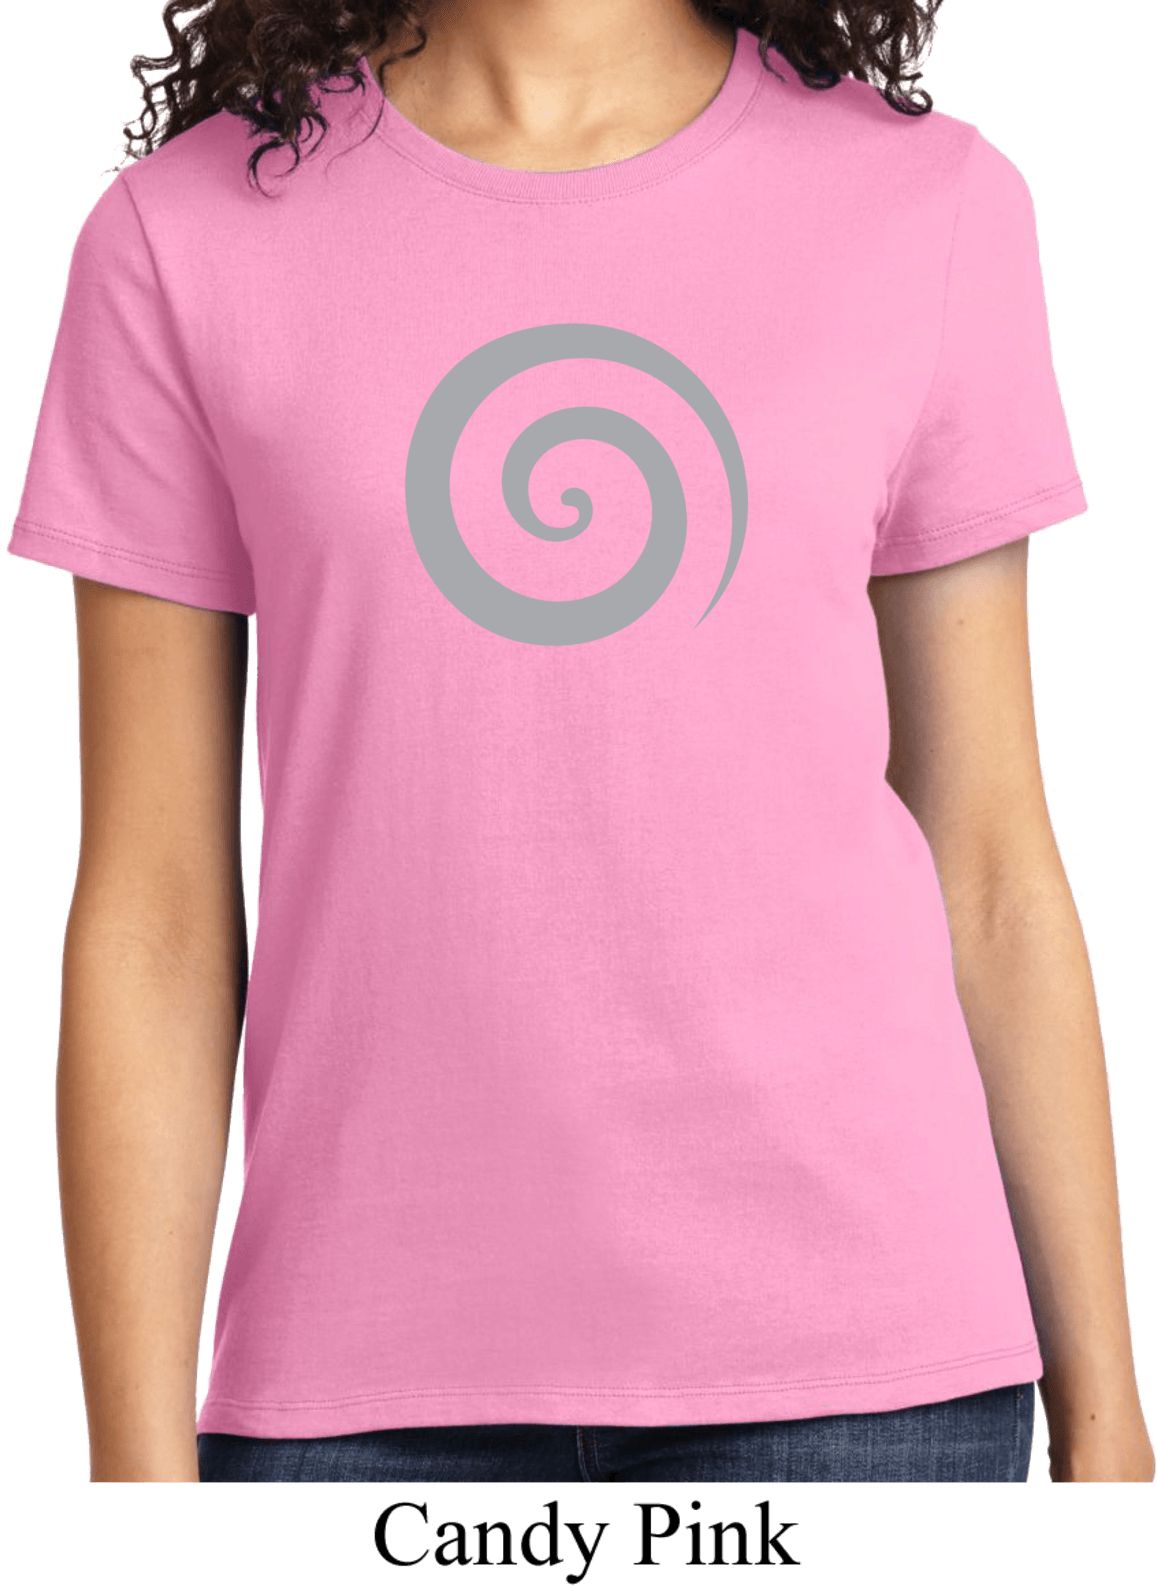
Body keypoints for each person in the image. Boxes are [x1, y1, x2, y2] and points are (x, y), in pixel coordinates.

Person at [9, 0, 1152, 1484]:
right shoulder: (180, 237)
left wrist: (1110, 1419)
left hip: (868, 1374)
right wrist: (134, 1485)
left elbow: (988, 858)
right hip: (352, 1385)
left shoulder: (926, 206)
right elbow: (153, 912)